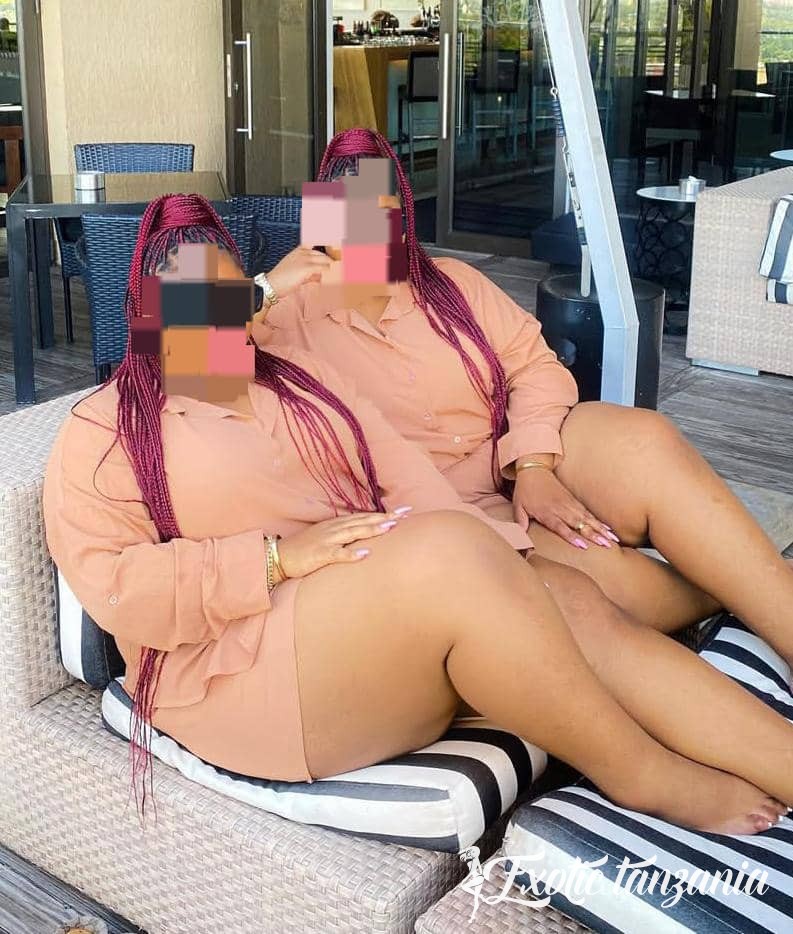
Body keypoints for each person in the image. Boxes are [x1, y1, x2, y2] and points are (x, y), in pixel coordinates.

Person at [42, 194, 793, 837]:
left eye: (225, 294)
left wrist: (510, 558)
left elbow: (403, 475)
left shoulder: (297, 380)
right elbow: (116, 589)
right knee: (452, 557)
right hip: (236, 676)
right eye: (182, 303)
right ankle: (640, 773)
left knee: (561, 594)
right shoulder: (105, 429)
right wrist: (273, 559)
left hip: (360, 613)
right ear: (145, 313)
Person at [252, 127, 793, 669]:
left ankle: (766, 600)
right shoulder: (285, 318)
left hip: (520, 449)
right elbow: (192, 358)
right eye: (344, 221)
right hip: (441, 507)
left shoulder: (451, 283)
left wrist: (533, 464)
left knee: (642, 441)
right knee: (607, 584)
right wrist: (264, 289)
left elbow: (534, 364)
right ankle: (743, 587)